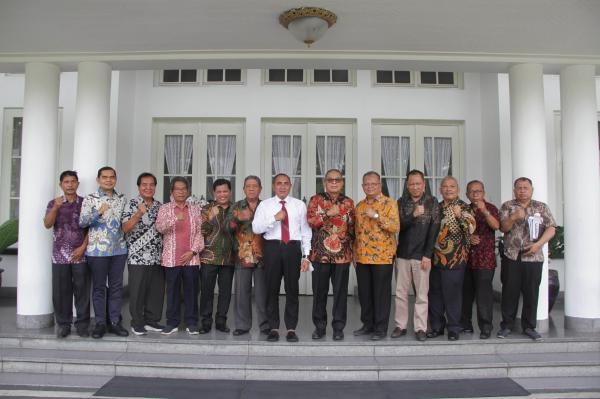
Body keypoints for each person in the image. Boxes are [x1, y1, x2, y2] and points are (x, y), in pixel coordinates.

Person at [252, 173, 312, 343]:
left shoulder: (299, 205)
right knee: (271, 289)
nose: (282, 186)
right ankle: (274, 328)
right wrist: (274, 218)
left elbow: (306, 232)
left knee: (292, 289)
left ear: (290, 186)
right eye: (279, 183)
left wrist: (306, 256)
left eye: (286, 183)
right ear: (273, 186)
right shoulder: (265, 205)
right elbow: (256, 228)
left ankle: (291, 328)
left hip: (293, 248)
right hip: (272, 248)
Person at [497, 177, 556, 341]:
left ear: (532, 190)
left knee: (531, 293)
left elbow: (551, 228)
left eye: (525, 187)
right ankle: (506, 326)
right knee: (510, 292)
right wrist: (514, 217)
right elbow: (503, 228)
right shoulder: (508, 206)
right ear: (514, 190)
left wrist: (539, 245)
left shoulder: (541, 207)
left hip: (533, 256)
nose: (522, 190)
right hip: (512, 256)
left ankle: (529, 327)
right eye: (519, 188)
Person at [79, 166, 129, 339]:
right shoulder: (90, 199)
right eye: (105, 177)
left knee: (116, 287)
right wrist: (97, 212)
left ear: (115, 179)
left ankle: (114, 322)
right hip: (97, 251)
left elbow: (126, 223)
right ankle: (100, 323)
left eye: (112, 177)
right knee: (99, 288)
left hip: (118, 249)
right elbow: (82, 222)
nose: (108, 180)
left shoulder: (122, 199)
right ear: (98, 179)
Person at [392, 170, 441, 342]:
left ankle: (421, 327)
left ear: (424, 184)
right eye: (411, 184)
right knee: (400, 293)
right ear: (407, 185)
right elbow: (398, 226)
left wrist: (428, 254)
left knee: (421, 294)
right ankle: (400, 325)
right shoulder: (401, 202)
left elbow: (434, 229)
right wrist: (412, 215)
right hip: (403, 253)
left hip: (422, 256)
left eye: (418, 183)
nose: (415, 187)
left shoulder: (432, 202)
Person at [307, 169, 355, 341]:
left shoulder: (349, 203)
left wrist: (353, 254)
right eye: (330, 180)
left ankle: (338, 328)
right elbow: (311, 222)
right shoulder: (316, 200)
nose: (334, 182)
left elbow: (353, 230)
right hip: (320, 255)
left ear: (342, 183)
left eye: (337, 180)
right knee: (319, 293)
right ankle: (319, 327)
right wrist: (328, 213)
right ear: (325, 182)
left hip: (342, 256)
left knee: (340, 294)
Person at [353, 171, 400, 341]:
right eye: (367, 184)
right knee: (365, 293)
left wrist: (377, 216)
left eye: (373, 184)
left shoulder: (390, 203)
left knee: (380, 293)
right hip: (362, 256)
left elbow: (395, 227)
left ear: (380, 185)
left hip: (383, 256)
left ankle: (380, 328)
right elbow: (356, 232)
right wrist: (354, 253)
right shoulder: (359, 206)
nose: (370, 187)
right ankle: (368, 325)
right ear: (363, 186)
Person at [428, 176, 475, 341]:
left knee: (453, 295)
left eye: (452, 186)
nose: (448, 189)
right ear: (440, 189)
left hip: (455, 260)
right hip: (435, 259)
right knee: (435, 294)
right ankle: (436, 327)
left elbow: (470, 230)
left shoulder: (464, 207)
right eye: (445, 187)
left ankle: (454, 328)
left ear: (458, 190)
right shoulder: (436, 207)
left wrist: (460, 216)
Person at [44, 170, 90, 338]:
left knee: (82, 290)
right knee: (61, 291)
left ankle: (83, 324)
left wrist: (83, 247)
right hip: (60, 255)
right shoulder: (53, 203)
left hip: (81, 255)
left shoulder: (85, 203)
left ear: (78, 183)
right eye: (66, 182)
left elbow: (91, 229)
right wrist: (56, 208)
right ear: (61, 185)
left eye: (73, 181)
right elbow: (47, 224)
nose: (70, 184)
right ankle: (63, 324)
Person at [155, 177, 204, 335]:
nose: (181, 192)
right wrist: (175, 218)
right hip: (171, 258)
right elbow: (160, 228)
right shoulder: (165, 208)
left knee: (191, 291)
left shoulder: (196, 209)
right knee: (172, 292)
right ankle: (172, 322)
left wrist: (193, 251)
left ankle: (191, 322)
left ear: (188, 191)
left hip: (191, 258)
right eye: (178, 189)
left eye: (184, 189)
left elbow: (200, 233)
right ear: (171, 192)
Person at [121, 172, 165, 336]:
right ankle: (137, 322)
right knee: (138, 290)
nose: (148, 188)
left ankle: (152, 321)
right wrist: (139, 214)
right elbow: (125, 228)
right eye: (144, 185)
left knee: (156, 291)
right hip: (137, 256)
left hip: (157, 257)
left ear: (155, 187)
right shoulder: (131, 204)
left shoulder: (160, 206)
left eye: (151, 184)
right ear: (139, 187)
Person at [225, 175, 269, 336]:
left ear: (260, 188)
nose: (251, 189)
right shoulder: (236, 206)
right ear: (243, 189)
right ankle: (242, 326)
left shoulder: (267, 206)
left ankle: (265, 325)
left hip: (263, 255)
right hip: (242, 256)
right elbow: (227, 228)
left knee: (263, 293)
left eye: (254, 186)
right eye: (248, 186)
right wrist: (236, 220)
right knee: (242, 292)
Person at [461, 180, 499, 339]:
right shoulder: (463, 210)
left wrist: (485, 212)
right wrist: (468, 237)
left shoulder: (491, 208)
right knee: (465, 294)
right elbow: (456, 231)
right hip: (464, 258)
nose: (475, 194)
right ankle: (465, 325)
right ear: (467, 194)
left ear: (483, 193)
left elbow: (497, 226)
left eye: (478, 191)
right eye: (472, 191)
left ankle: (485, 327)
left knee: (484, 295)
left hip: (485, 259)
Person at [199, 179, 235, 334]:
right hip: (209, 257)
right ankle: (206, 321)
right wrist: (211, 219)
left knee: (225, 291)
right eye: (219, 192)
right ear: (214, 193)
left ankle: (221, 321)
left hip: (229, 257)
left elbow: (240, 231)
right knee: (207, 291)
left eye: (225, 191)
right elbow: (202, 232)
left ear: (230, 192)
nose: (222, 194)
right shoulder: (206, 209)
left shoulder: (236, 209)